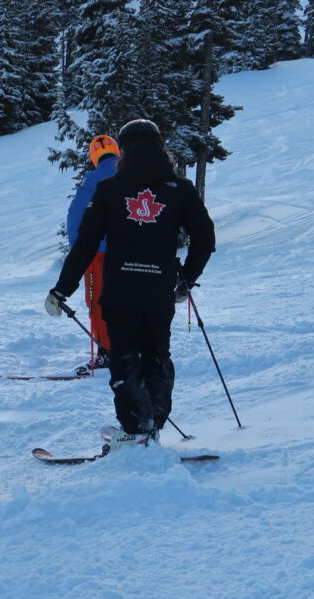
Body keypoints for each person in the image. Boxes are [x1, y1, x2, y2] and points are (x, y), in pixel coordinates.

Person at [45, 119, 216, 450]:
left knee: (125, 356)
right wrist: (187, 281)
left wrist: (61, 289)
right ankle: (151, 424)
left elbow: (85, 244)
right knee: (157, 353)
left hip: (120, 287)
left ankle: (136, 427)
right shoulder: (179, 189)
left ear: (122, 149)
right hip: (159, 288)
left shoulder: (110, 189)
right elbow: (205, 238)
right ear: (159, 142)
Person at [65, 134, 120, 373]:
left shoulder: (93, 179)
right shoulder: (131, 174)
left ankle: (107, 351)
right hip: (127, 251)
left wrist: (80, 251)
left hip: (97, 253)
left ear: (94, 156)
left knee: (97, 302)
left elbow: (75, 217)